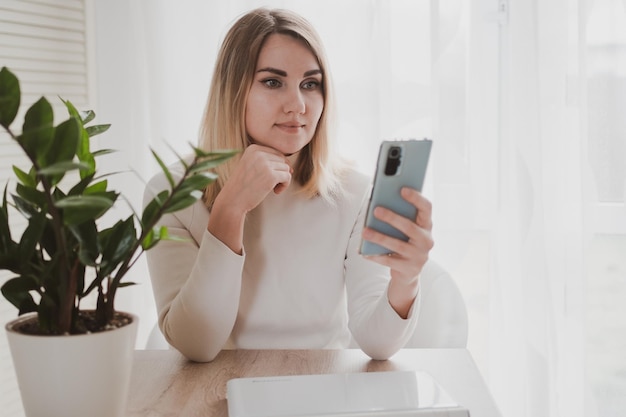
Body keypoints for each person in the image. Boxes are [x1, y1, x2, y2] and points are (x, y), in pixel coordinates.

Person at [143, 7, 434, 363]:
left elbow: (378, 345)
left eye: (310, 84)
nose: (297, 105)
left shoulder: (354, 194)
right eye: (272, 81)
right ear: (233, 91)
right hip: (217, 393)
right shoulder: (171, 193)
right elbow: (198, 345)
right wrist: (230, 209)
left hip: (321, 391)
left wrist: (406, 280)